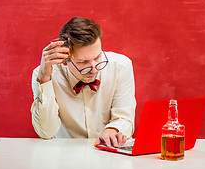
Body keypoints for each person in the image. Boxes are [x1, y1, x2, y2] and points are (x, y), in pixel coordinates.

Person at [31, 17, 136, 147]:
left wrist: (112, 130)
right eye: (83, 62)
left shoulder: (120, 66)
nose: (93, 68)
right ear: (65, 59)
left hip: (109, 151)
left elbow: (125, 117)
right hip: (66, 155)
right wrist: (44, 80)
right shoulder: (43, 75)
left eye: (97, 57)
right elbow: (46, 132)